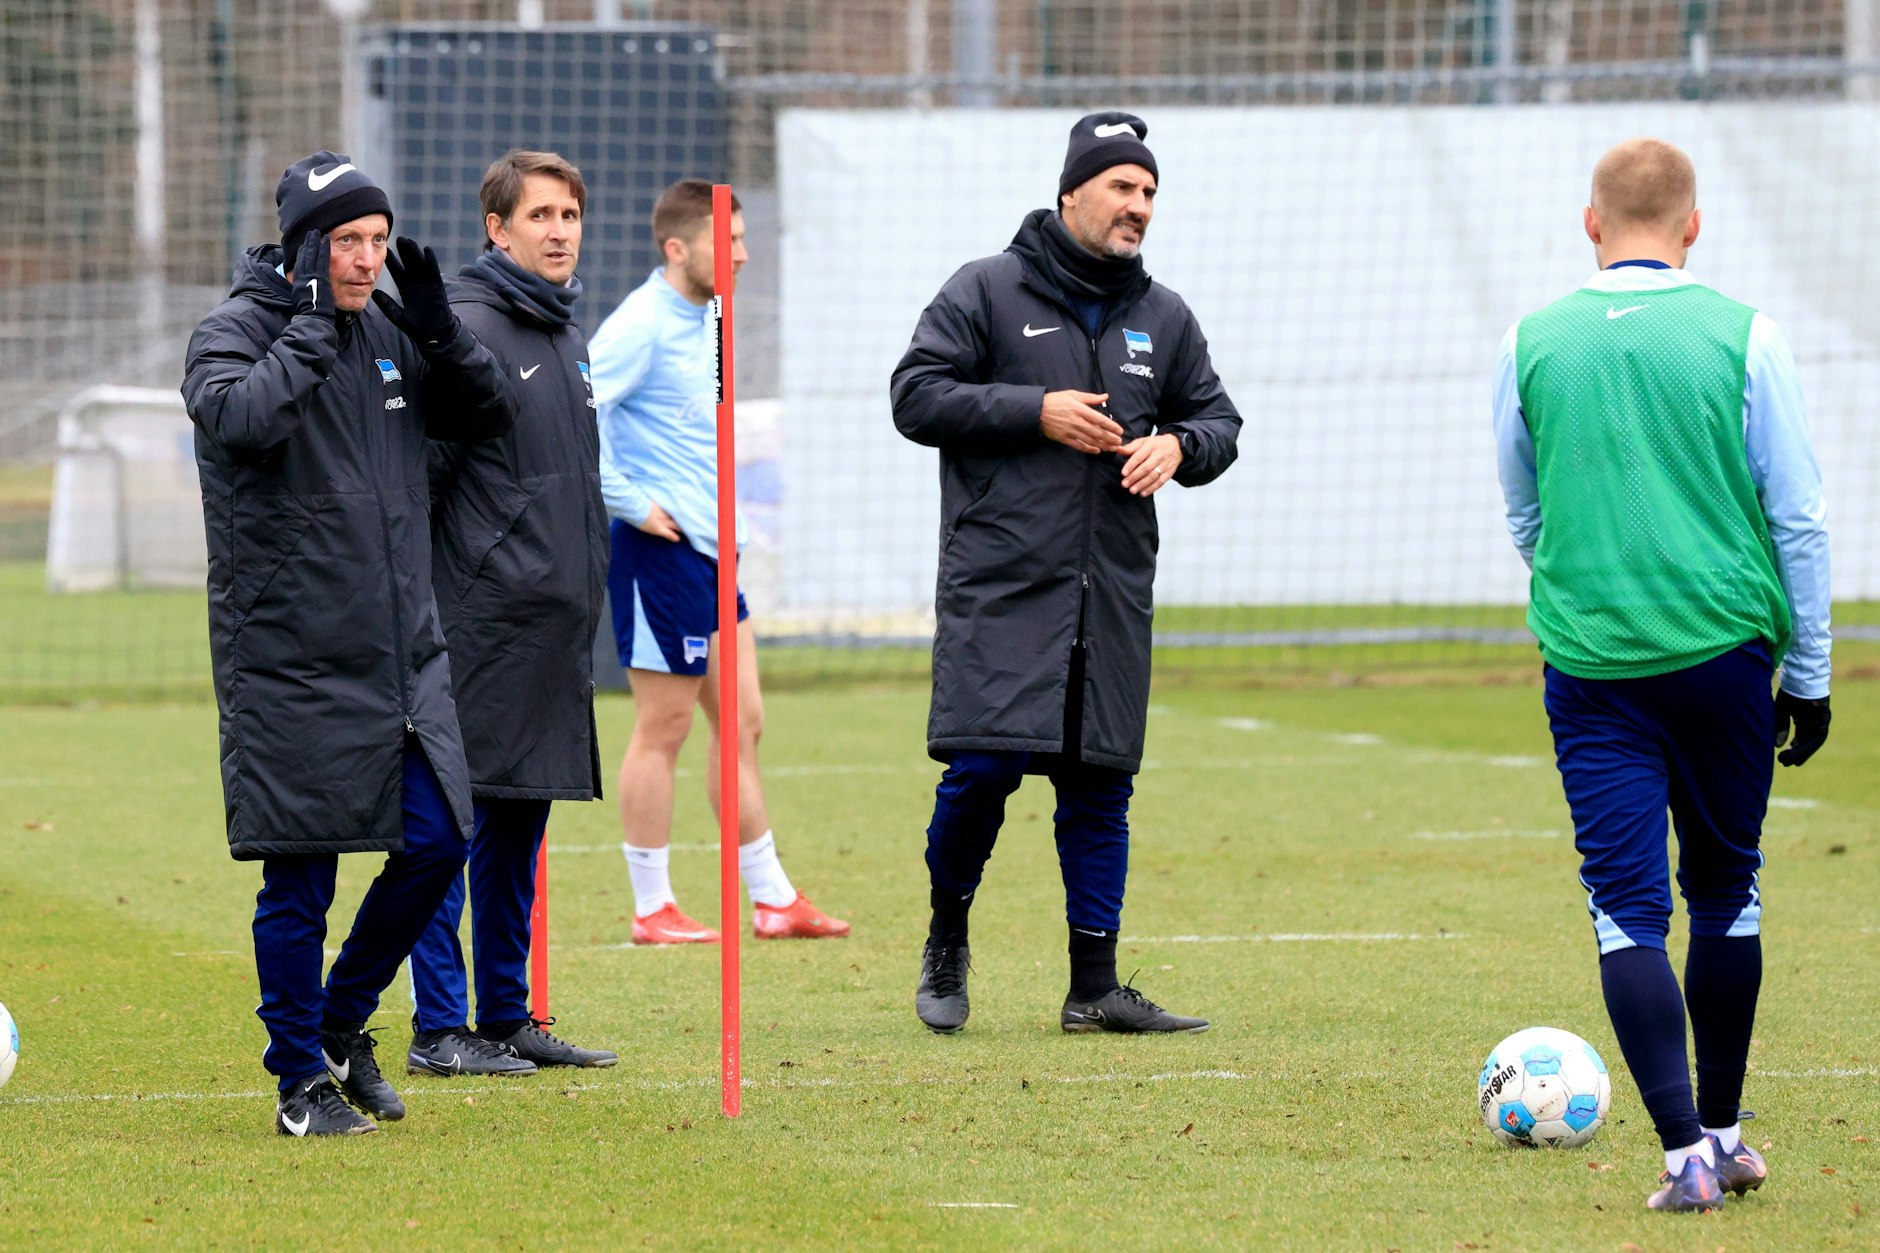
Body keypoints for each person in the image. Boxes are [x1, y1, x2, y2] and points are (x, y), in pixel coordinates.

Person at [1492, 137, 1831, 1212]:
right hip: (1725, 655)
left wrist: (1594, 585)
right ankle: (1723, 1132)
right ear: (1693, 224)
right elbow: (1797, 516)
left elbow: (1524, 511)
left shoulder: (1528, 341)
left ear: (1590, 223)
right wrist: (1810, 672)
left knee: (1624, 909)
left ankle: (1685, 1156)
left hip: (1591, 665)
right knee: (1725, 889)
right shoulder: (1746, 335)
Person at [182, 152, 515, 1135]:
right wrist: (313, 322)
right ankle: (298, 1082)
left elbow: (487, 413)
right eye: (347, 242)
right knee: (302, 875)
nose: (368, 259)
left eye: (378, 239)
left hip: (400, 652)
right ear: (302, 248)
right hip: (290, 655)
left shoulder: (389, 329)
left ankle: (334, 1025)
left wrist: (444, 334)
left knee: (441, 839)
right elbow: (241, 419)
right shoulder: (233, 332)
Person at [889, 112, 1242, 1035]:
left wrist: (1179, 444)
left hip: (1110, 595)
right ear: (1071, 191)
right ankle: (947, 935)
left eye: (1150, 191)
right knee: (982, 768)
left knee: (1100, 787)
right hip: (1003, 587)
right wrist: (1033, 409)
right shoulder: (985, 288)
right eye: (1122, 186)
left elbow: (1220, 423)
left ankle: (1094, 987)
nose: (1139, 205)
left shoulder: (1164, 315)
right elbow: (914, 395)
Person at [589, 178, 848, 944]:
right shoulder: (639, 324)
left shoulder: (714, 317)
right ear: (677, 248)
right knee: (663, 727)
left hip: (715, 555)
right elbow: (571, 411)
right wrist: (630, 502)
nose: (741, 252)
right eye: (727, 240)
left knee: (743, 723)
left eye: (742, 237)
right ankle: (651, 908)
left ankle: (772, 898)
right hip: (660, 554)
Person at [403, 150, 617, 1077]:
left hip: (551, 625)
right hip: (476, 619)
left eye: (570, 214)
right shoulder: (464, 327)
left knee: (519, 825)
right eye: (540, 215)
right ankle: (437, 1026)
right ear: (496, 228)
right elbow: (423, 485)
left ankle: (504, 1011)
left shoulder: (567, 333)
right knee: (452, 826)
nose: (560, 231)